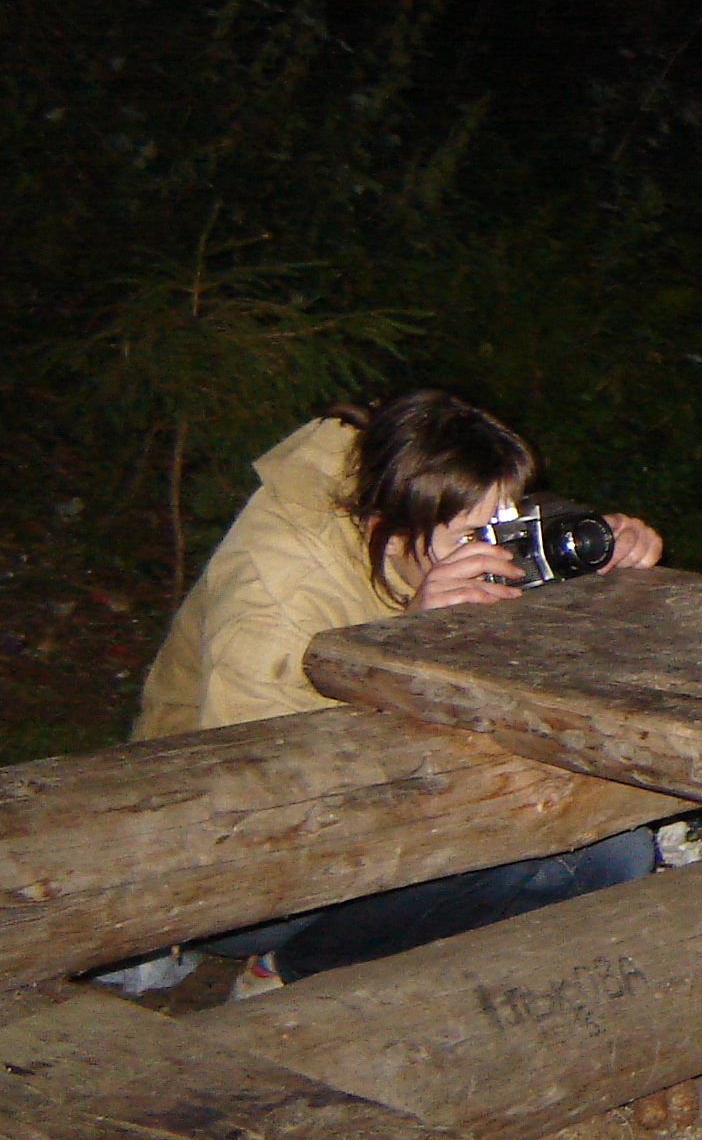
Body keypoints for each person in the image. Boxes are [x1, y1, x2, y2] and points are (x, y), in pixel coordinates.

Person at [131, 388, 665, 994]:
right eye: (474, 536)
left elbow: (500, 514)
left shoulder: (401, 483)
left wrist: (599, 538)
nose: (494, 550)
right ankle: (291, 973)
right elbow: (260, 788)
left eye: (505, 523)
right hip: (228, 866)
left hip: (376, 798)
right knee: (561, 855)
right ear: (386, 527)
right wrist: (404, 646)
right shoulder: (276, 592)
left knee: (612, 852)